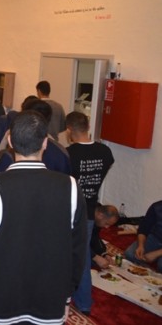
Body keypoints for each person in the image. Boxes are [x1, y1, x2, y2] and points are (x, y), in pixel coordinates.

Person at [0, 110, 87, 325]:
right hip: (48, 302)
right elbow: (78, 250)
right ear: (45, 143)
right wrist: (66, 295)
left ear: (10, 141)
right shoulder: (71, 187)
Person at [65, 111, 115, 314]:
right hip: (89, 210)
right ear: (87, 127)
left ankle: (79, 299)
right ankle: (83, 301)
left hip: (69, 209)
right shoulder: (105, 152)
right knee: (82, 253)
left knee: (72, 254)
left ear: (69, 130)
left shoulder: (68, 154)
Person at [124, 200, 162, 272]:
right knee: (130, 254)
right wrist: (140, 246)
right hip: (155, 238)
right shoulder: (157, 206)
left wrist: (156, 254)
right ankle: (147, 271)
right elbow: (143, 228)